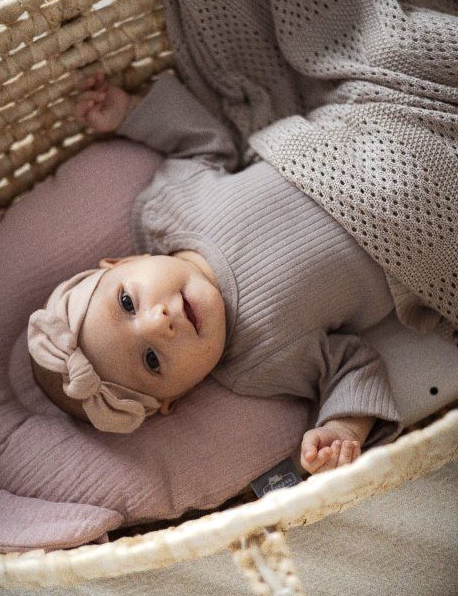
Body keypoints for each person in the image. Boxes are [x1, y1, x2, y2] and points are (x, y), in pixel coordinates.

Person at [27, 71, 401, 475]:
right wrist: (343, 428)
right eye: (151, 360)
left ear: (121, 263)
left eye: (127, 303)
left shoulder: (166, 210)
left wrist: (130, 112)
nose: (158, 323)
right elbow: (352, 365)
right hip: (414, 223)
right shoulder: (259, 364)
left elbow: (203, 141)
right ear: (176, 398)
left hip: (353, 132)